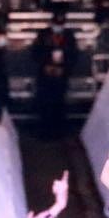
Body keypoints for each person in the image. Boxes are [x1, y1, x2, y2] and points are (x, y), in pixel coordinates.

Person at [29, 11, 78, 139]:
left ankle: (58, 132)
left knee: (59, 104)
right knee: (45, 104)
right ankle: (45, 132)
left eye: (61, 24)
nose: (58, 26)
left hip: (61, 76)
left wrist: (64, 68)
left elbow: (74, 55)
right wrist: (45, 65)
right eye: (57, 24)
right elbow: (35, 53)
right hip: (45, 76)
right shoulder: (43, 35)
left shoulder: (69, 36)